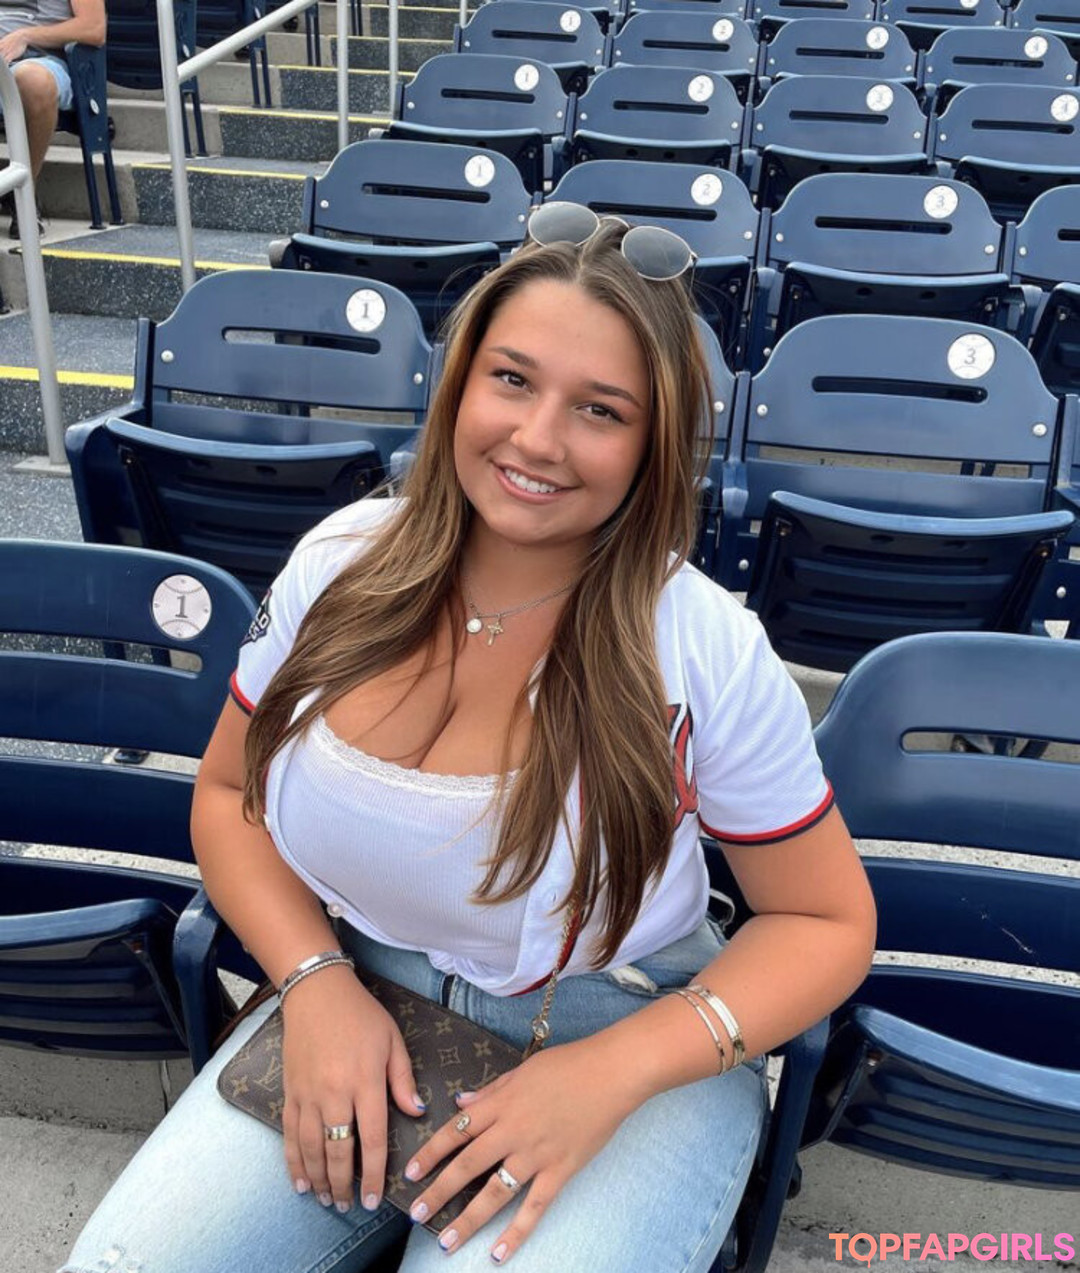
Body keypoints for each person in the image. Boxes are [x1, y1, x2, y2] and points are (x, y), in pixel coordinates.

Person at [61, 206, 877, 1273]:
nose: (537, 438)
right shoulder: (340, 562)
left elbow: (825, 920)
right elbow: (228, 799)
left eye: (600, 409)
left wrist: (612, 1071)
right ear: (459, 383)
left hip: (626, 1031)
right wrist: (315, 982)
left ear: (654, 445)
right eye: (512, 380)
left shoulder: (705, 649)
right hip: (359, 988)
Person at [0, 0, 106, 237]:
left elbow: (94, 27)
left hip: (38, 60)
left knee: (35, 81)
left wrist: (25, 36)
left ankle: (23, 192)